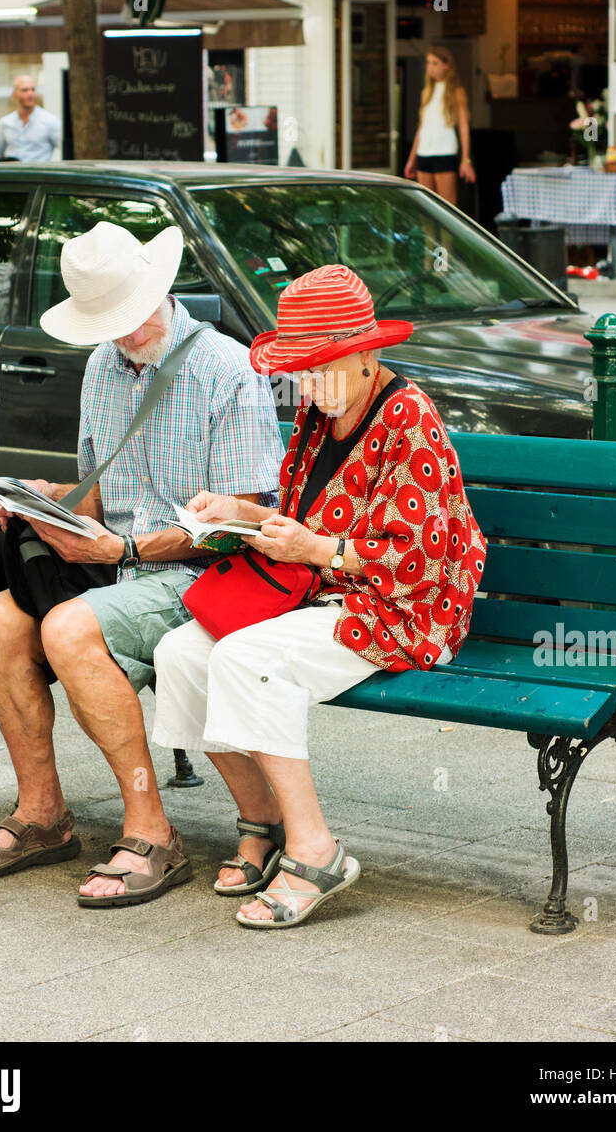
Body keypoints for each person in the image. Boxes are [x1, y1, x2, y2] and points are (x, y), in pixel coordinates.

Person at [0, 221, 285, 908]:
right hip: (115, 568)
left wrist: (125, 548)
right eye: (110, 322)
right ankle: (44, 815)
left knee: (69, 630)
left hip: (198, 577)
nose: (125, 334)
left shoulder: (229, 370)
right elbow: (98, 493)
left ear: (158, 290)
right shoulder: (103, 364)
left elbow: (237, 527)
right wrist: (44, 502)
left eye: (131, 316)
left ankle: (152, 830)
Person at [152, 264, 487, 930]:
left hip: (400, 609)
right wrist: (240, 517)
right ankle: (262, 822)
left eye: (325, 366)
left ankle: (317, 850)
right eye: (303, 369)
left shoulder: (407, 417)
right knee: (179, 653)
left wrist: (316, 551)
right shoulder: (317, 408)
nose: (312, 383)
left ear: (368, 352)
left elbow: (417, 564)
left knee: (245, 659)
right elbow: (299, 519)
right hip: (315, 589)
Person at [404, 46, 476, 206]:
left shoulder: (457, 92)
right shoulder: (426, 93)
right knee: (426, 206)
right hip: (424, 153)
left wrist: (466, 160)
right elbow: (421, 128)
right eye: (428, 63)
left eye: (435, 63)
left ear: (446, 65)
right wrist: (411, 159)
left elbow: (464, 127)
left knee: (447, 206)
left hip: (444, 152)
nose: (430, 67)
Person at [0, 74, 61, 162]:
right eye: (25, 90)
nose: (30, 94)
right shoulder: (6, 122)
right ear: (14, 94)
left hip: (39, 173)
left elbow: (65, 149)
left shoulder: (50, 121)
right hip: (13, 173)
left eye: (33, 90)